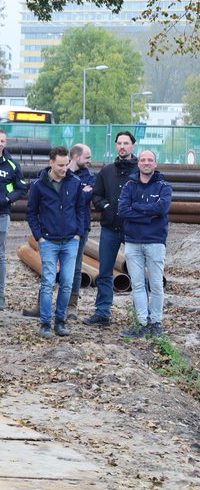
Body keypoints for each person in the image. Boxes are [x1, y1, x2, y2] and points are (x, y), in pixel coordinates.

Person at [26, 147, 89, 339]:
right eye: (60, 165)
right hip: (49, 241)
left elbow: (80, 209)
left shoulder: (74, 182)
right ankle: (45, 323)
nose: (64, 168)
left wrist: (78, 234)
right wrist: (40, 237)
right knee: (47, 282)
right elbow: (31, 212)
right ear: (50, 163)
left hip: (70, 240)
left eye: (66, 164)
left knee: (67, 282)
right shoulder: (39, 185)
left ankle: (60, 321)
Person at [86, 131, 138, 327]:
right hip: (109, 228)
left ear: (133, 146)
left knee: (138, 273)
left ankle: (140, 315)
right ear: (116, 146)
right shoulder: (106, 171)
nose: (122, 146)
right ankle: (102, 312)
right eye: (119, 143)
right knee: (105, 271)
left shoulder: (140, 171)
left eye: (126, 143)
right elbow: (96, 195)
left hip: (133, 230)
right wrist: (106, 206)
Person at [118, 150, 171, 338]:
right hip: (132, 242)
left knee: (156, 284)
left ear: (155, 164)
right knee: (138, 284)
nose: (146, 163)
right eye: (143, 160)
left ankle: (156, 323)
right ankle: (141, 323)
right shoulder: (129, 186)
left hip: (155, 242)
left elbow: (162, 208)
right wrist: (149, 215)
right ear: (138, 163)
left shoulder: (164, 187)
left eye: (150, 160)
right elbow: (123, 210)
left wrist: (137, 208)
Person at [0, 129, 26, 310]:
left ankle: (0, 295)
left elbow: (22, 188)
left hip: (1, 215)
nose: (0, 144)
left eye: (3, 141)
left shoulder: (11, 165)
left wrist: (8, 198)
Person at [67, 144, 95, 309]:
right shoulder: (61, 172)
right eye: (87, 157)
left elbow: (84, 199)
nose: (90, 161)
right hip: (60, 226)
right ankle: (45, 303)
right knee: (50, 265)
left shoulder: (90, 177)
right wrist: (79, 191)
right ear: (76, 157)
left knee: (76, 266)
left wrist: (69, 194)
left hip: (81, 226)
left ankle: (72, 304)